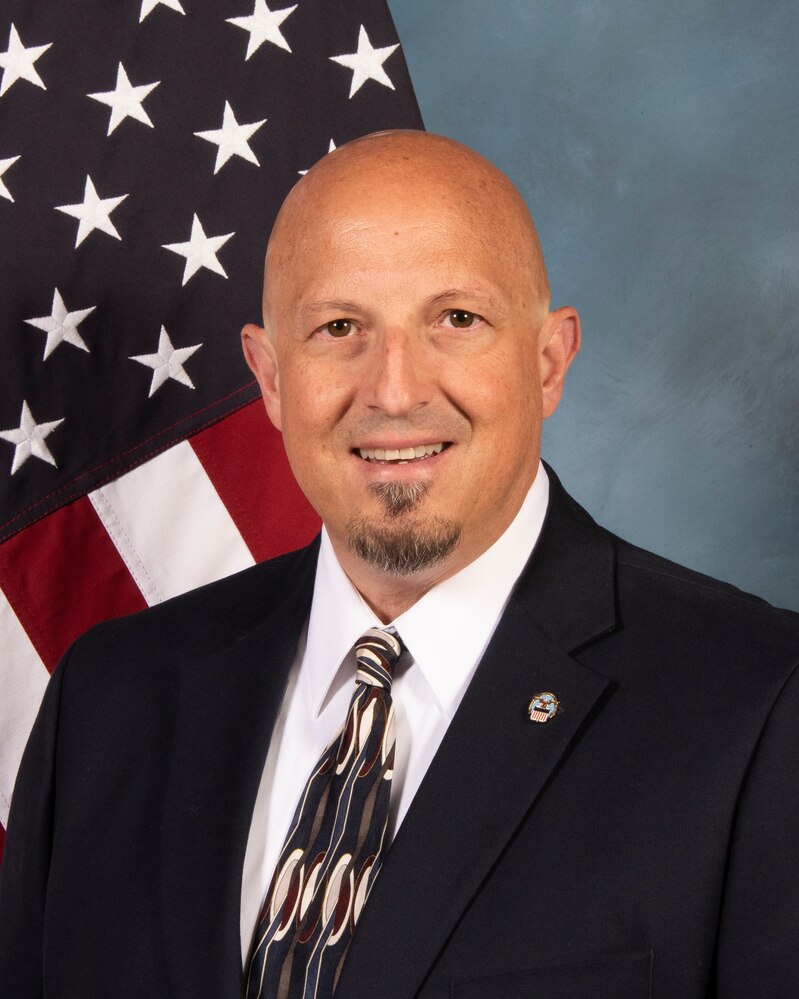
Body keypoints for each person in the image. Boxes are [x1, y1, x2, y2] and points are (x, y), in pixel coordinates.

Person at [0, 129, 797, 998]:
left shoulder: (759, 708)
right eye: (338, 327)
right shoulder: (108, 700)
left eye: (456, 319)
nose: (394, 390)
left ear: (547, 362)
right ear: (270, 377)